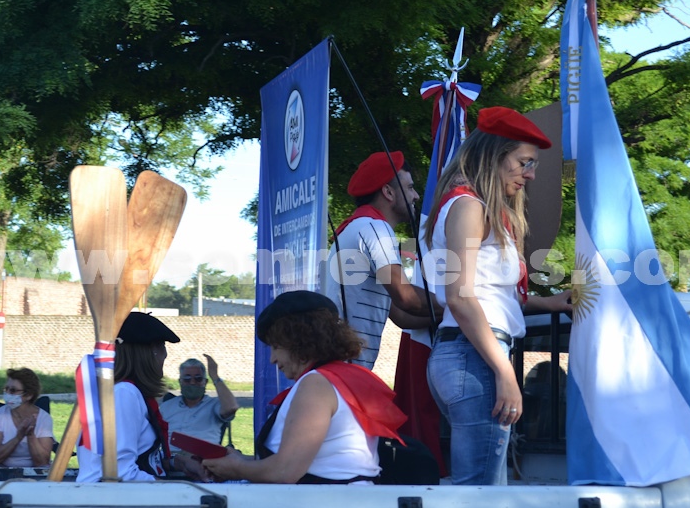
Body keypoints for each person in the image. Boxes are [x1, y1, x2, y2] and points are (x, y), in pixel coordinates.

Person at [423, 106, 572, 485]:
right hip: (475, 356)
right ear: (493, 154)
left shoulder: (473, 206)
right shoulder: (469, 207)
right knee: (480, 497)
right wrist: (505, 372)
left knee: (486, 491)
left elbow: (487, 292)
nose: (531, 175)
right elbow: (459, 296)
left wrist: (547, 302)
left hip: (468, 353)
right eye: (524, 162)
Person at [203, 290, 406, 484]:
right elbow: (322, 463)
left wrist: (236, 469)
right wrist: (240, 461)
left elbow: (285, 471)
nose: (273, 359)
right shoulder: (340, 378)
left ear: (298, 340)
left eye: (276, 347)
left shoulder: (316, 385)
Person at [330, 150, 434, 370]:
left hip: (341, 367)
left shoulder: (358, 227)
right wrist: (460, 305)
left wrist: (450, 317)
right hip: (345, 369)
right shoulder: (375, 228)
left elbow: (402, 316)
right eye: (409, 188)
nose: (416, 196)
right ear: (388, 192)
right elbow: (406, 297)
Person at [77, 312, 205, 482]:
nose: (165, 355)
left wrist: (178, 462)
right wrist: (175, 488)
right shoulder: (124, 394)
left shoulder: (126, 392)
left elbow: (138, 458)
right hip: (110, 502)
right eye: (162, 347)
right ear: (153, 350)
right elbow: (120, 472)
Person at [161, 355, 239, 451]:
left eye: (198, 379)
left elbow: (231, 407)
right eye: (187, 379)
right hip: (170, 459)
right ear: (180, 382)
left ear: (205, 382)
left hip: (204, 460)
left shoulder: (214, 405)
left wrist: (215, 376)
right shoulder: (166, 407)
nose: (192, 383)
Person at [0, 367, 54, 467]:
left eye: (12, 390)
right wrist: (18, 437)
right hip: (2, 471)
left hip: (34, 473)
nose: (7, 393)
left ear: (28, 395)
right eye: (6, 389)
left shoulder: (44, 419)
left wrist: (30, 435)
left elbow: (42, 462)